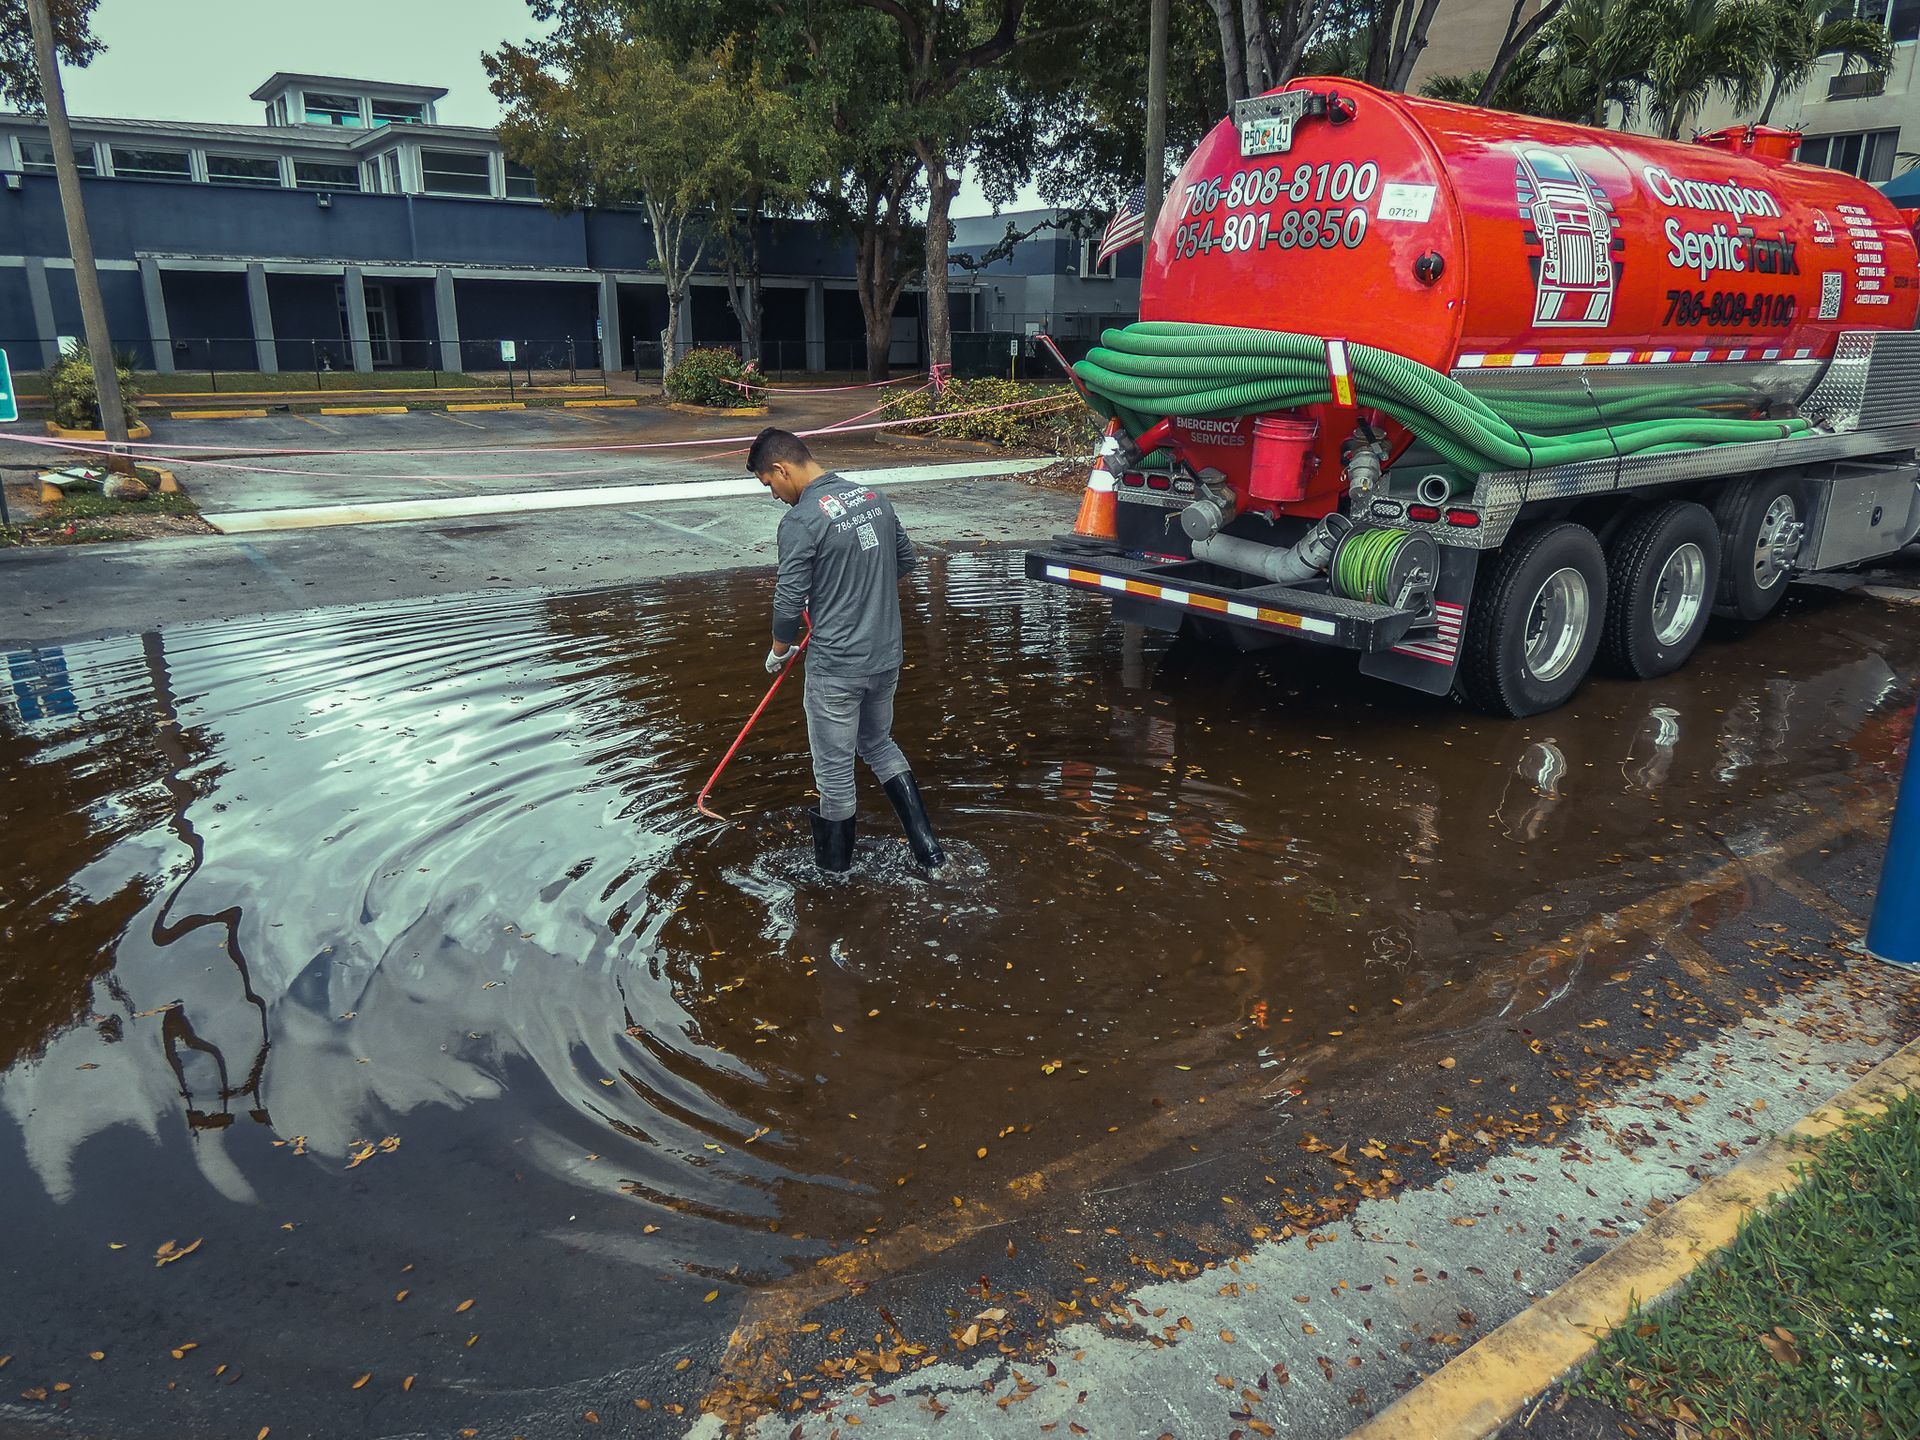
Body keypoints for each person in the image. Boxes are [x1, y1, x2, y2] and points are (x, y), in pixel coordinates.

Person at [749, 427, 944, 874]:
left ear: (781, 469)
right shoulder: (874, 499)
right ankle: (931, 855)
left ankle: (834, 880)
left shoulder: (801, 521)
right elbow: (905, 562)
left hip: (836, 668)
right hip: (885, 657)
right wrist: (856, 589)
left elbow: (788, 600)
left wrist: (780, 649)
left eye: (769, 485)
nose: (775, 495)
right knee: (877, 743)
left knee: (835, 777)